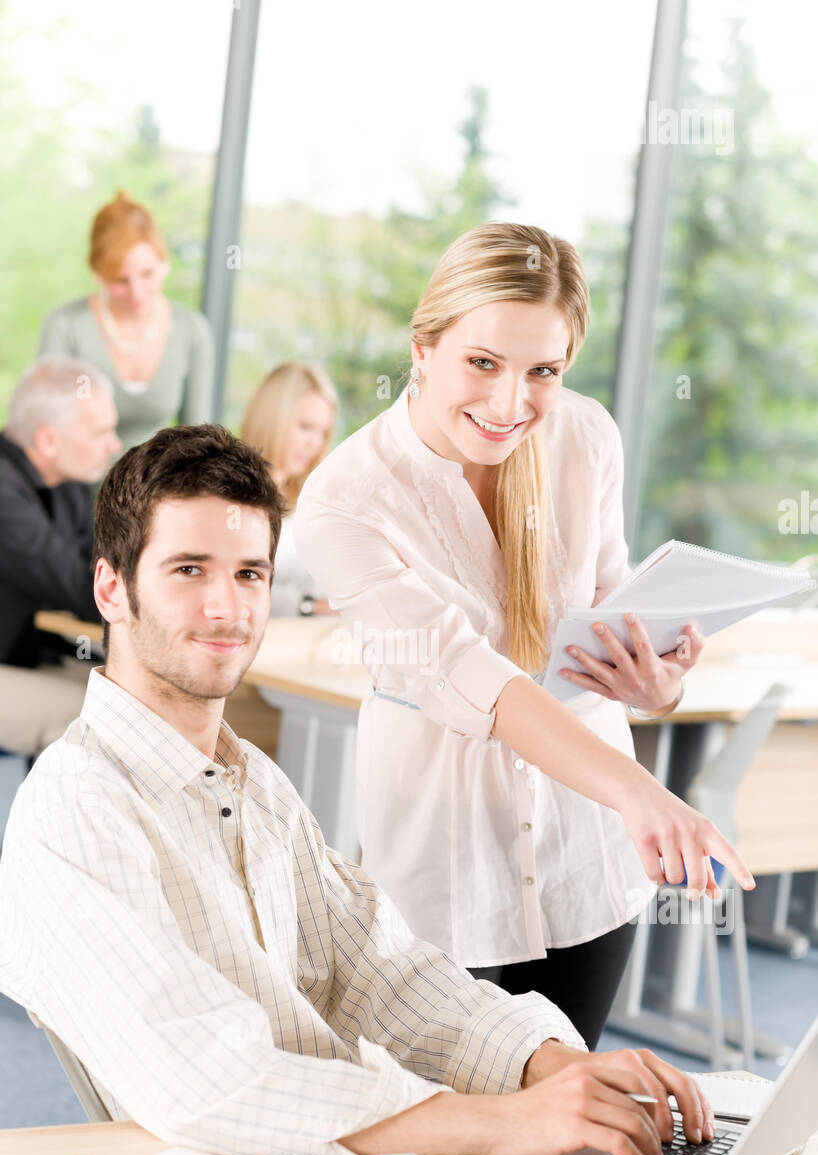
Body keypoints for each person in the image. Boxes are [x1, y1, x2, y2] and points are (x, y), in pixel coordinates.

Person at [0, 423, 716, 1155]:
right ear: (113, 587)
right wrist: (500, 1122)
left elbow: (382, 973)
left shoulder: (254, 785)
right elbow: (208, 1082)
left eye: (248, 575)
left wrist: (552, 1064)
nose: (226, 607)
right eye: (189, 570)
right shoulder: (76, 809)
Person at [293, 222, 755, 1048]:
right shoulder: (345, 498)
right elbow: (467, 676)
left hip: (589, 853)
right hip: (443, 863)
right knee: (443, 1134)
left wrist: (659, 683)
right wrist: (643, 795)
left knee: (565, 1120)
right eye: (483, 362)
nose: (512, 404)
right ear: (424, 347)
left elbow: (611, 607)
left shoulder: (585, 437)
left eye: (544, 370)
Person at [0, 358, 120, 756]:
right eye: (101, 432)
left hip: (19, 657)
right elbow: (83, 586)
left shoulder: (65, 482)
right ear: (47, 440)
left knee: (143, 698)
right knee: (110, 717)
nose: (114, 445)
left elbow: (98, 567)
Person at [37, 190, 214, 457]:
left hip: (156, 492)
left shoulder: (192, 331)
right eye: (121, 281)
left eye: (147, 274)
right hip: (75, 491)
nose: (138, 293)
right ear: (98, 274)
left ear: (163, 263)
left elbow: (199, 441)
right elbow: (48, 428)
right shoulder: (65, 326)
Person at [239, 362, 337, 616]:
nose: (314, 443)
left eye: (322, 432)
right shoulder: (233, 497)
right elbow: (237, 585)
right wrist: (309, 607)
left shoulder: (309, 499)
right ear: (273, 420)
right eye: (305, 427)